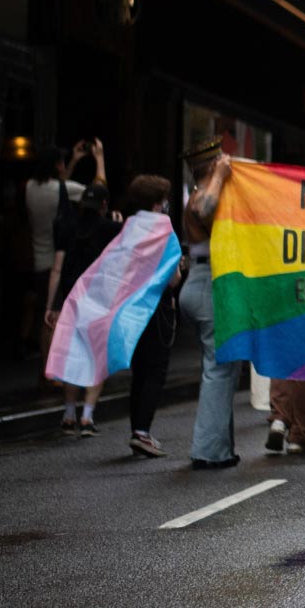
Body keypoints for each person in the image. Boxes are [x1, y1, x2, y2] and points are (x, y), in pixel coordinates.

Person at [178, 142, 240, 469]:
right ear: (213, 164)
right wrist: (219, 175)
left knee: (224, 364)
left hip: (203, 283)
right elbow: (205, 210)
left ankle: (222, 446)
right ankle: (208, 451)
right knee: (218, 368)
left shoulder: (202, 193)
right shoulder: (200, 197)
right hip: (206, 284)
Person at [44, 183, 121, 435]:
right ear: (104, 205)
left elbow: (60, 268)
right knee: (96, 356)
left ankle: (68, 414)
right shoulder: (111, 229)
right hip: (99, 301)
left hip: (72, 300)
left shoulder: (69, 229)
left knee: (72, 355)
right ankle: (87, 416)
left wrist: (53, 304)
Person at [121, 174, 182, 459]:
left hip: (131, 307)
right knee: (155, 370)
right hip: (157, 309)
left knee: (140, 370)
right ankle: (142, 432)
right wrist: (179, 266)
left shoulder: (128, 227)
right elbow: (173, 279)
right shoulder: (163, 229)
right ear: (158, 203)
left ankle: (138, 429)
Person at [24, 141, 103, 352]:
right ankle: (49, 373)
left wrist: (73, 161)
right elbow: (97, 191)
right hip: (56, 264)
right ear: (57, 165)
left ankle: (44, 374)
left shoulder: (30, 187)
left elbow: (58, 190)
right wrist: (99, 158)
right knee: (54, 319)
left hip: (37, 260)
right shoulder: (63, 188)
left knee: (46, 317)